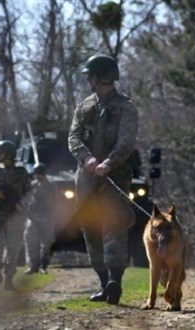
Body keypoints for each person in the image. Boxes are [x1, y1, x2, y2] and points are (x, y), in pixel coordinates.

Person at [68, 54, 138, 305]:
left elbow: (127, 141)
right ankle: (103, 282)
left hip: (115, 176)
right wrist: (87, 159)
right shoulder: (84, 106)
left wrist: (109, 162)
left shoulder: (126, 107)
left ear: (101, 77)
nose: (88, 79)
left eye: (91, 75)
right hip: (86, 178)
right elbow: (73, 138)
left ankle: (114, 281)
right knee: (90, 227)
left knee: (114, 224)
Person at [0, 140, 31, 291]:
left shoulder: (21, 171)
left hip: (15, 215)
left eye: (0, 152)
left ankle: (9, 280)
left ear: (8, 154)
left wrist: (22, 203)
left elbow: (29, 192)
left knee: (13, 248)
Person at [23, 163, 58, 275]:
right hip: (33, 217)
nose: (38, 176)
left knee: (47, 243)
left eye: (40, 173)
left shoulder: (50, 185)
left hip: (47, 217)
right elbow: (26, 198)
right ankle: (33, 266)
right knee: (30, 241)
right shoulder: (32, 185)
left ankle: (44, 265)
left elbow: (54, 200)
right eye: (37, 174)